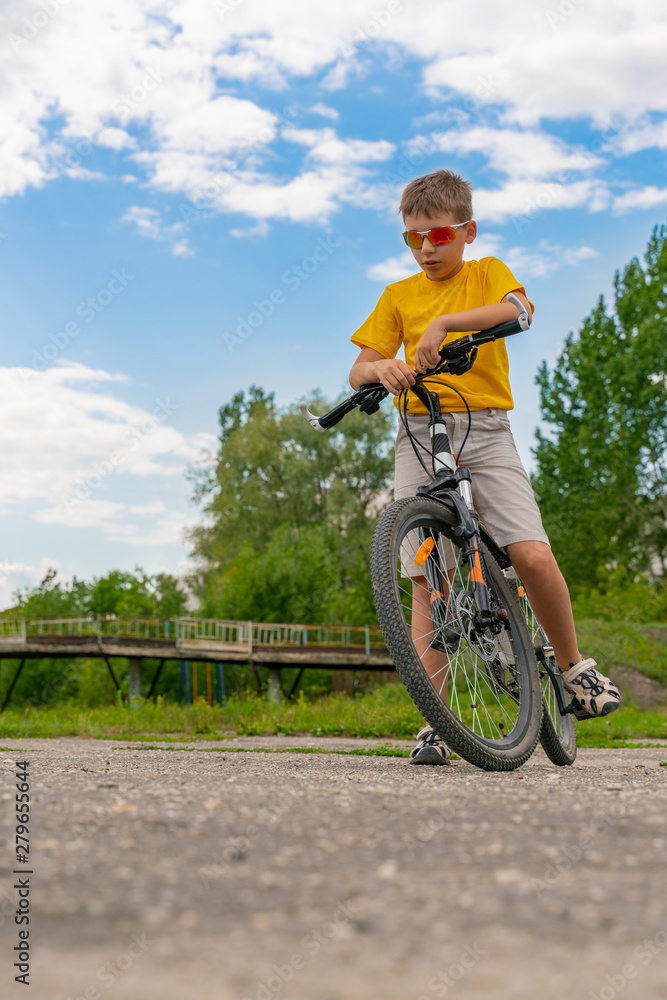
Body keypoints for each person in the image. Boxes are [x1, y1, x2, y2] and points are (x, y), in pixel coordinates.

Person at [348, 169, 620, 765]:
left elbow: (518, 310)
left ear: (466, 231)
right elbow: (359, 368)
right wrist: (381, 371)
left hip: (485, 427)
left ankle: (574, 668)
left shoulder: (486, 272)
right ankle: (436, 722)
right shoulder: (397, 295)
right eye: (412, 238)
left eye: (439, 235)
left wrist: (445, 324)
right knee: (426, 576)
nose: (426, 249)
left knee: (531, 554)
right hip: (419, 430)